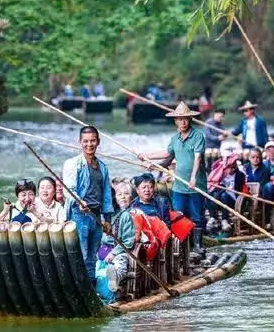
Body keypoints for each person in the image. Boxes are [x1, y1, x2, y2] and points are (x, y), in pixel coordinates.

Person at [138, 102, 206, 260]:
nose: (183, 122)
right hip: (179, 186)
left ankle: (198, 246)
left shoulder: (198, 136)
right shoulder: (175, 138)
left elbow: (198, 157)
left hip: (196, 185)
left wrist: (194, 177)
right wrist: (148, 158)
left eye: (185, 119)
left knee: (197, 216)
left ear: (190, 120)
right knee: (179, 215)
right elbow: (168, 155)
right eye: (179, 119)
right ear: (175, 121)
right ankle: (182, 248)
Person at [62, 126, 114, 283]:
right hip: (80, 215)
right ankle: (79, 288)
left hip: (96, 216)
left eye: (92, 141)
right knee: (81, 256)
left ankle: (91, 289)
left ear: (98, 142)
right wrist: (79, 201)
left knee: (93, 256)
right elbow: (69, 190)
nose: (89, 144)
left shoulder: (103, 167)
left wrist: (108, 220)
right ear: (80, 143)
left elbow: (106, 195)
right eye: (85, 141)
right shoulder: (73, 164)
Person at [96, 183, 136, 303]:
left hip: (119, 251)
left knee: (120, 264)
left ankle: (115, 278)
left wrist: (114, 253)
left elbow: (128, 241)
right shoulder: (99, 216)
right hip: (101, 250)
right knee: (95, 267)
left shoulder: (124, 216)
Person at [207, 154, 245, 233]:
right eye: (230, 167)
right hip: (218, 199)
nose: (232, 170)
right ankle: (212, 217)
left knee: (224, 195)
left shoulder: (240, 175)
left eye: (233, 167)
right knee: (210, 193)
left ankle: (224, 220)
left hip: (232, 199)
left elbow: (241, 190)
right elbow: (214, 185)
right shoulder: (221, 174)